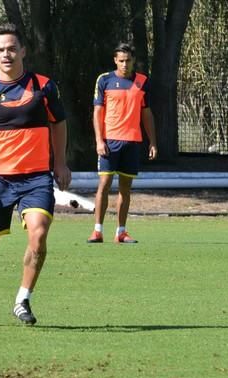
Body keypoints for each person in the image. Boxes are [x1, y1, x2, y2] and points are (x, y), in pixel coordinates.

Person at [0, 23, 71, 327]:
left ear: (23, 51)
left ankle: (22, 299)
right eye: (0, 50)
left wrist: (60, 163)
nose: (6, 54)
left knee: (39, 232)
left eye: (11, 48)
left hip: (36, 178)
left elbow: (58, 123)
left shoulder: (44, 87)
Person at [87, 43, 157, 244]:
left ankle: (121, 232)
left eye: (128, 60)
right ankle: (97, 231)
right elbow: (97, 112)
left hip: (132, 141)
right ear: (115, 60)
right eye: (121, 60)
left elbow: (147, 114)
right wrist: (99, 140)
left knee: (125, 188)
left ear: (133, 61)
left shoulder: (142, 82)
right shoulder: (105, 80)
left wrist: (153, 141)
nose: (125, 64)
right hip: (109, 141)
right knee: (104, 184)